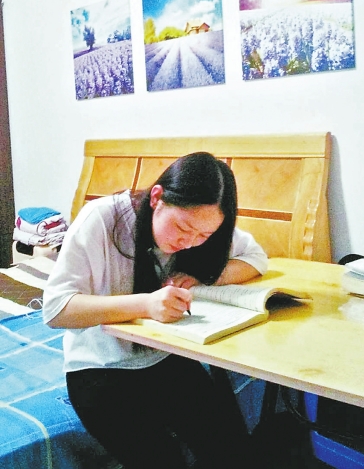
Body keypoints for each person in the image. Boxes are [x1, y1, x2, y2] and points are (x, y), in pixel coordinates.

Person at [43, 151, 268, 469]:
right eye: (182, 227)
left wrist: (204, 276)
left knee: (234, 452)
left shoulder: (202, 224)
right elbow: (56, 310)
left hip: (164, 357)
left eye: (204, 235)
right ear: (157, 198)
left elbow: (257, 259)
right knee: (162, 460)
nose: (189, 242)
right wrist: (146, 305)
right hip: (99, 367)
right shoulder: (103, 218)